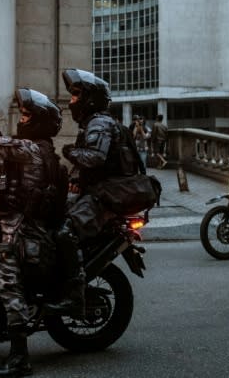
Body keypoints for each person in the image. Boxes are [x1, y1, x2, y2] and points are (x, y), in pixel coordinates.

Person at [0, 88, 66, 378]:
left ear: (40, 122)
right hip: (17, 219)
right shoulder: (34, 148)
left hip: (22, 227)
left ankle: (20, 357)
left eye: (28, 114)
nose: (23, 117)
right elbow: (0, 158)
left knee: (8, 280)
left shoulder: (31, 149)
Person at [45, 68, 141, 316]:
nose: (72, 101)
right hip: (99, 192)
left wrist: (68, 152)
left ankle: (74, 296)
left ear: (90, 98)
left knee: (65, 231)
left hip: (106, 198)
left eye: (76, 95)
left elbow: (95, 158)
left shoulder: (99, 122)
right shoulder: (94, 123)